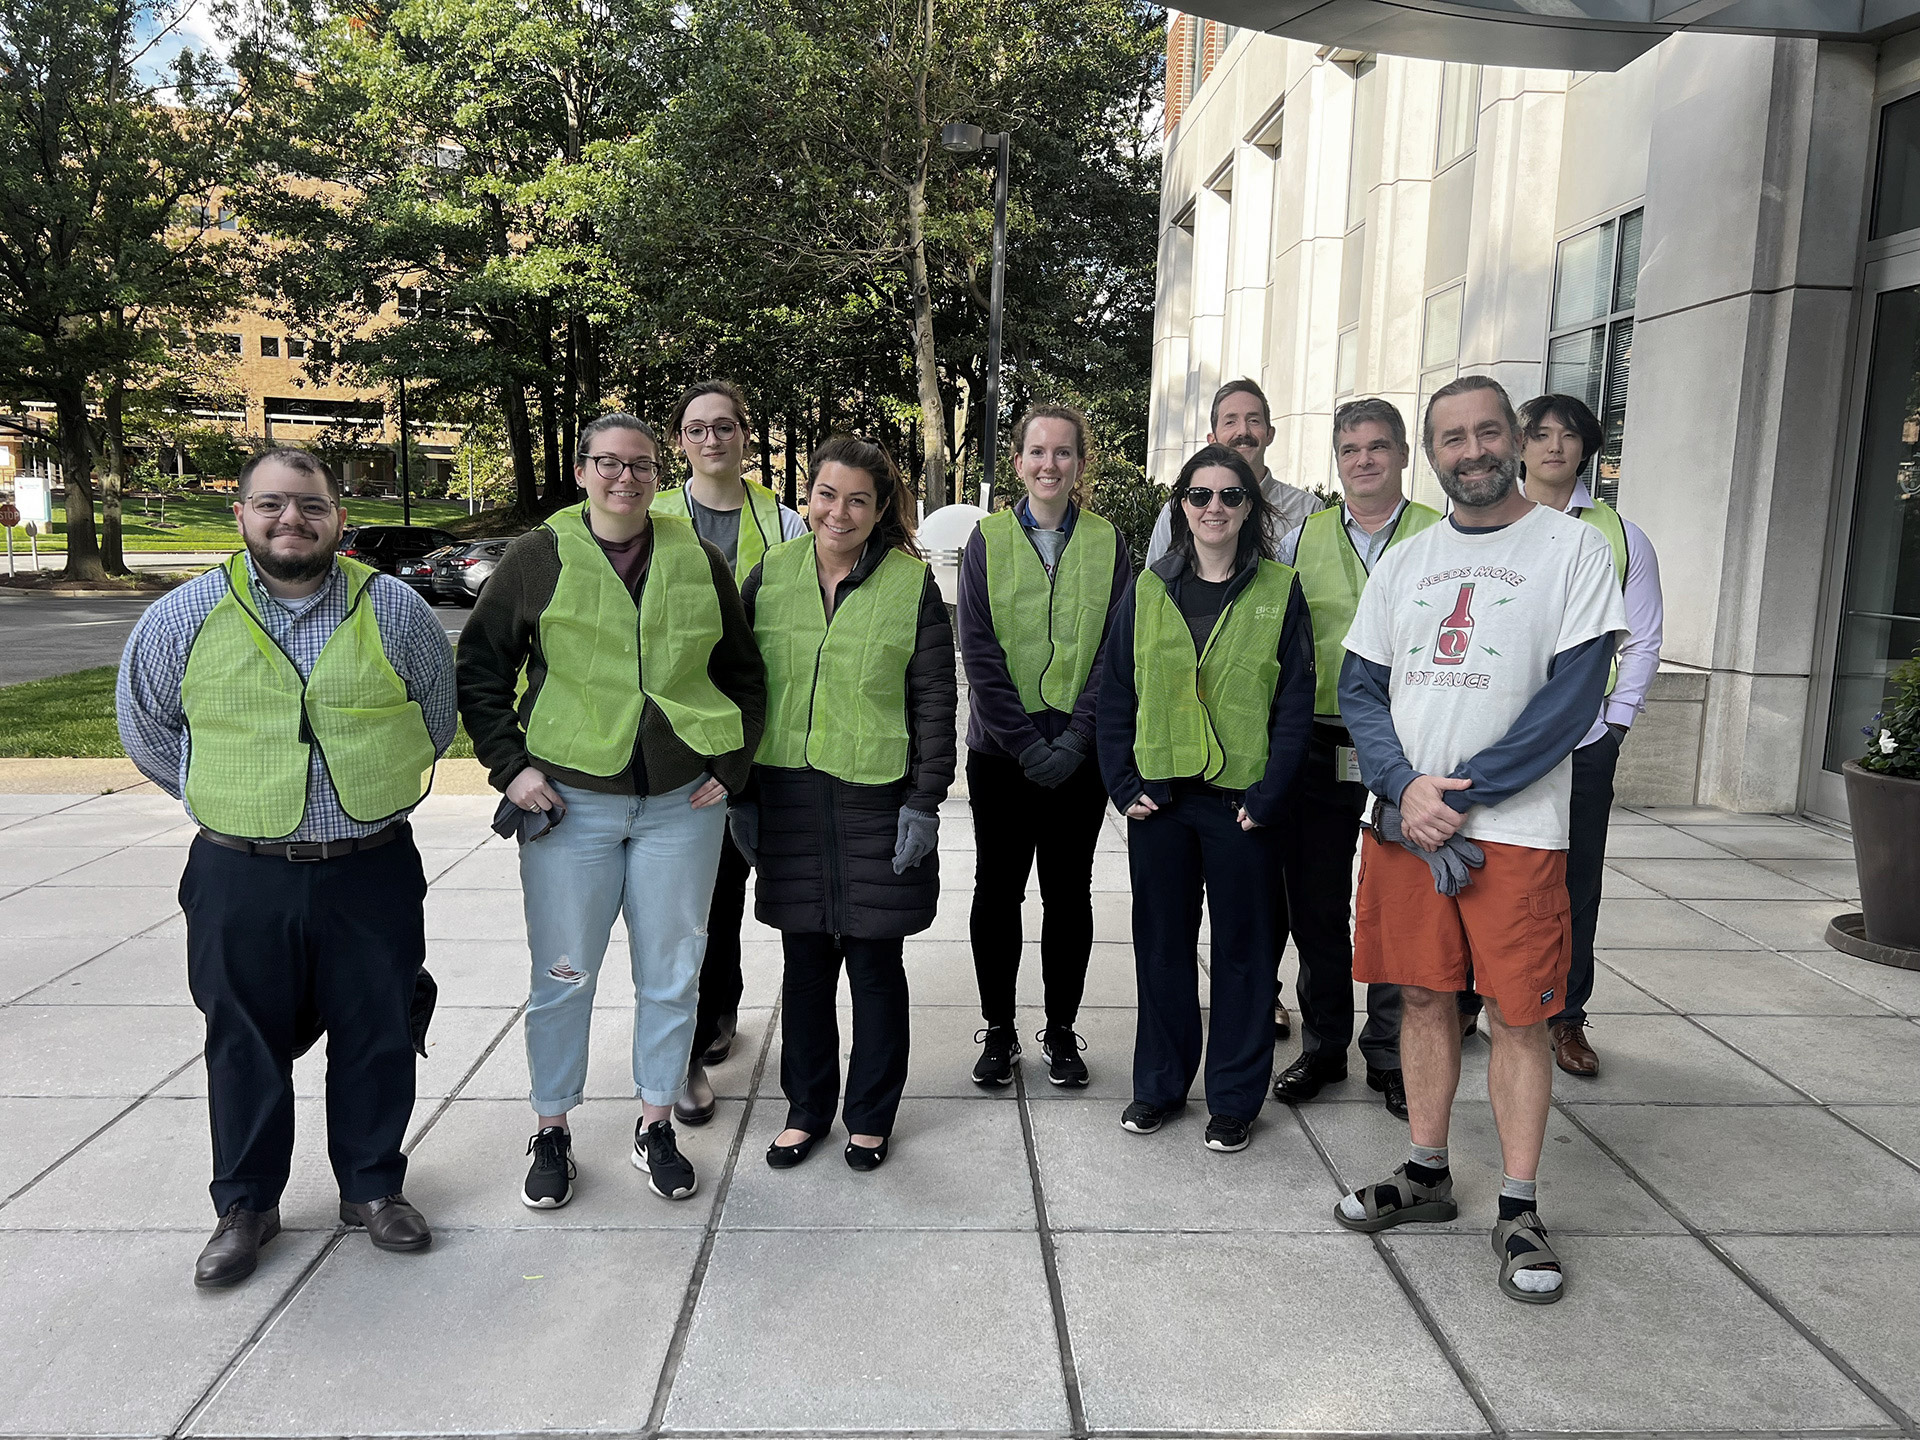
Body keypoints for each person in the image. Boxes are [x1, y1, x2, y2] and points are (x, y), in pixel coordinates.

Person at [116, 447, 456, 1287]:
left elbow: (435, 717)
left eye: (309, 505)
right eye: (271, 505)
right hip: (240, 871)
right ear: (241, 515)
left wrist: (360, 796)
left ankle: (373, 1189)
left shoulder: (398, 611)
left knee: (377, 1028)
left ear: (339, 518)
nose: (290, 520)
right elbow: (149, 731)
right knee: (242, 1039)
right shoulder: (184, 615)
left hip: (369, 864)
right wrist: (231, 799)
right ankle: (247, 1205)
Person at [1333, 375, 1626, 1306]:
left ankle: (1519, 1204)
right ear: (1434, 454)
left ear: (1518, 438)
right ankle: (1425, 1174)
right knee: (1420, 997)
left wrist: (1462, 795)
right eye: (1452, 439)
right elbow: (1361, 690)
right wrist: (1403, 787)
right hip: (1407, 830)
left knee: (1520, 1015)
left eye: (1487, 432)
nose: (1472, 451)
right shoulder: (1406, 563)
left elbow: (1574, 697)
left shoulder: (1572, 550)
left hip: (1517, 833)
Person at [457, 413, 766, 1210]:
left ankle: (655, 1123)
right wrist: (510, 768)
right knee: (564, 975)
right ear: (583, 469)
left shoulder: (697, 558)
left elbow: (742, 671)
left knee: (673, 976)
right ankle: (552, 1127)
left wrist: (729, 765)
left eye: (639, 466)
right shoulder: (539, 557)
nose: (623, 478)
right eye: (607, 463)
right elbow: (482, 668)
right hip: (571, 805)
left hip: (679, 809)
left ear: (658, 475)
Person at [737, 435, 957, 1172]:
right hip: (788, 798)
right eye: (828, 494)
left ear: (879, 508)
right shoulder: (770, 575)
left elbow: (933, 698)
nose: (840, 511)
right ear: (809, 496)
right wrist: (738, 789)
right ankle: (806, 1110)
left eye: (859, 499)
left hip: (876, 797)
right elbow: (737, 686)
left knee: (873, 963)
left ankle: (870, 1115)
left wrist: (925, 801)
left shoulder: (908, 583)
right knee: (803, 965)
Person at [1097, 443, 1314, 1153]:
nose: (1213, 507)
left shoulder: (1280, 589)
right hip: (1161, 801)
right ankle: (1159, 1085)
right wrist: (1122, 784)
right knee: (1161, 948)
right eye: (1199, 495)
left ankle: (1233, 1098)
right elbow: (1117, 692)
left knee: (1245, 956)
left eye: (1229, 496)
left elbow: (1293, 705)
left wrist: (1270, 794)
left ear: (1250, 508)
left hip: (1242, 806)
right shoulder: (1148, 587)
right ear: (1180, 506)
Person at [1270, 399, 1441, 1121]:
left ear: (1403, 454)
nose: (1364, 460)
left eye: (1378, 447)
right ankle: (1325, 1044)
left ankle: (1392, 1052)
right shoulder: (1299, 538)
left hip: (1408, 746)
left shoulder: (1442, 534)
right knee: (1315, 904)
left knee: (1399, 906)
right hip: (1317, 741)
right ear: (1336, 460)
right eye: (1350, 449)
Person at [958, 405, 1132, 1088]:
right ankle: (998, 1032)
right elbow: (979, 650)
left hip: (1078, 756)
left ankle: (1061, 1032)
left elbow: (1115, 650)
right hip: (1003, 754)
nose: (1049, 465)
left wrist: (1078, 738)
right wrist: (1029, 746)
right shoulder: (987, 540)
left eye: (1063, 453)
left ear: (1081, 463)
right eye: (1037, 452)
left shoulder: (1107, 542)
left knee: (1069, 894)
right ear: (1019, 460)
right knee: (997, 892)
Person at [650, 380, 808, 1127]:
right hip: (681, 738)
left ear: (747, 436)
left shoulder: (782, 521)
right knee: (698, 898)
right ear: (678, 441)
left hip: (764, 733)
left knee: (751, 883)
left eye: (725, 427)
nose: (711, 439)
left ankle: (726, 1008)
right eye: (696, 429)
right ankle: (706, 1020)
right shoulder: (649, 520)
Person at [1145, 379, 1320, 1042]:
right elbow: (1154, 626)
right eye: (1229, 420)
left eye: (1254, 420)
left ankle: (1264, 996)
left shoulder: (1303, 513)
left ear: (1270, 431)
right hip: (1180, 750)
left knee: (1263, 895)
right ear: (1213, 432)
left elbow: (1289, 633)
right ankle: (1170, 1058)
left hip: (1261, 731)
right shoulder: (1180, 513)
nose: (1242, 430)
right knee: (1169, 922)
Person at [1515, 393, 1663, 1077]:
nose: (1553, 447)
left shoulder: (1621, 536)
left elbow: (1643, 639)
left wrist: (1617, 726)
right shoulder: (1486, 522)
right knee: (1485, 873)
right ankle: (1468, 1001)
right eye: (1539, 434)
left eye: (1567, 435)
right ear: (1518, 445)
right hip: (1495, 739)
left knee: (1575, 886)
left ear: (1586, 447)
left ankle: (1566, 1017)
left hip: (1582, 742)